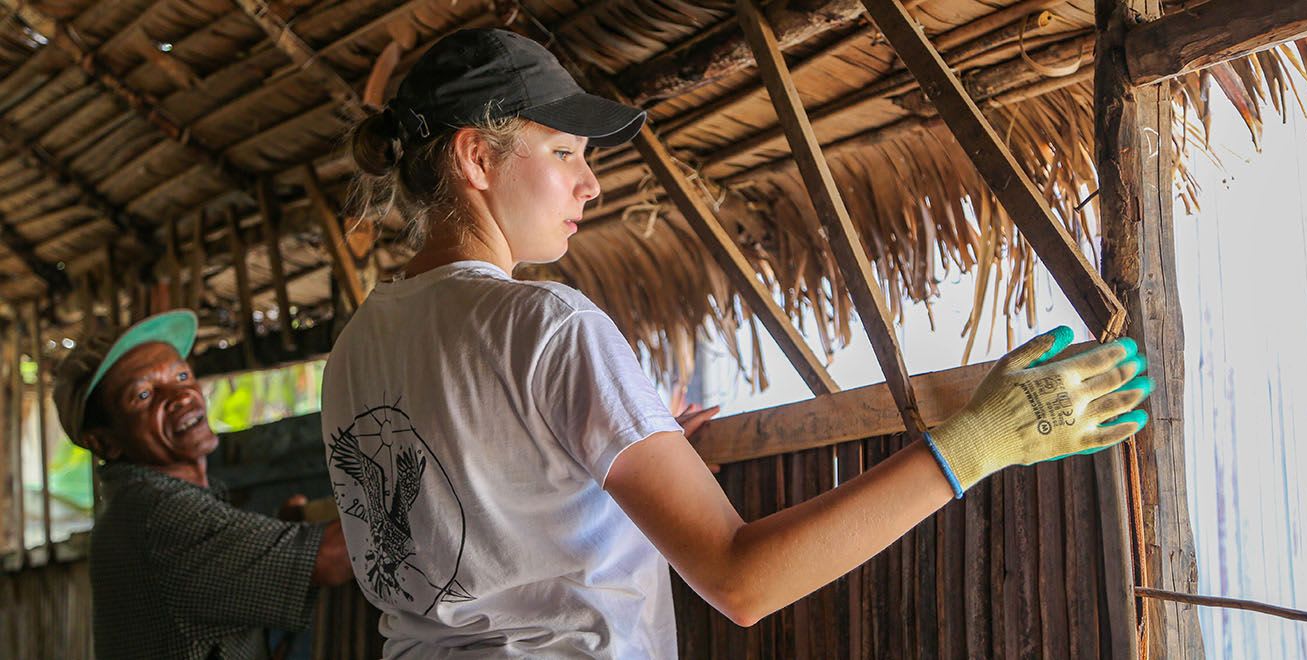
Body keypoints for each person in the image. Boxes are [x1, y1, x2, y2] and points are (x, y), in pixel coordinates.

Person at [321, 28, 1153, 659]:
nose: (591, 180)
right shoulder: (548, 324)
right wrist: (983, 438)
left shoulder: (356, 352)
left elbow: (473, 513)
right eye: (564, 150)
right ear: (475, 156)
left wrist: (631, 460)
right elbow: (741, 580)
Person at [52, 310, 354, 660]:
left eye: (181, 375)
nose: (181, 396)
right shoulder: (159, 514)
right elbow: (330, 559)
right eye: (144, 395)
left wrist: (286, 535)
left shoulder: (139, 508)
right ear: (105, 443)